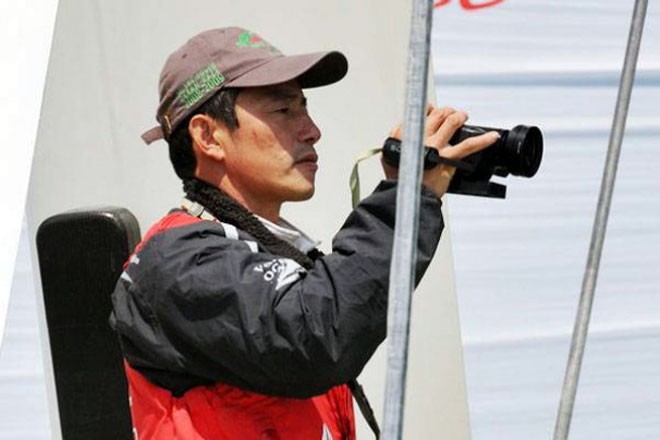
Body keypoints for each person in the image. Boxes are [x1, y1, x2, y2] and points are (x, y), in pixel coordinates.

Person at [110, 27, 498, 440]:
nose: (312, 130)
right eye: (284, 111)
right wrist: (403, 201)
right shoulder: (179, 262)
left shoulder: (253, 249)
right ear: (208, 136)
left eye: (304, 108)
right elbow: (318, 334)